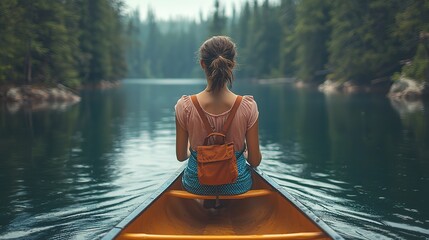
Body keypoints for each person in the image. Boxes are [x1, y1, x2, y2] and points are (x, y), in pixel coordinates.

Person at [175, 36, 261, 197]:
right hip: (237, 185)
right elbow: (255, 161)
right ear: (232, 65)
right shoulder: (248, 106)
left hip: (196, 184)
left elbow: (181, 157)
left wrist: (196, 151)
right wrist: (243, 154)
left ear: (202, 64)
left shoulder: (184, 106)